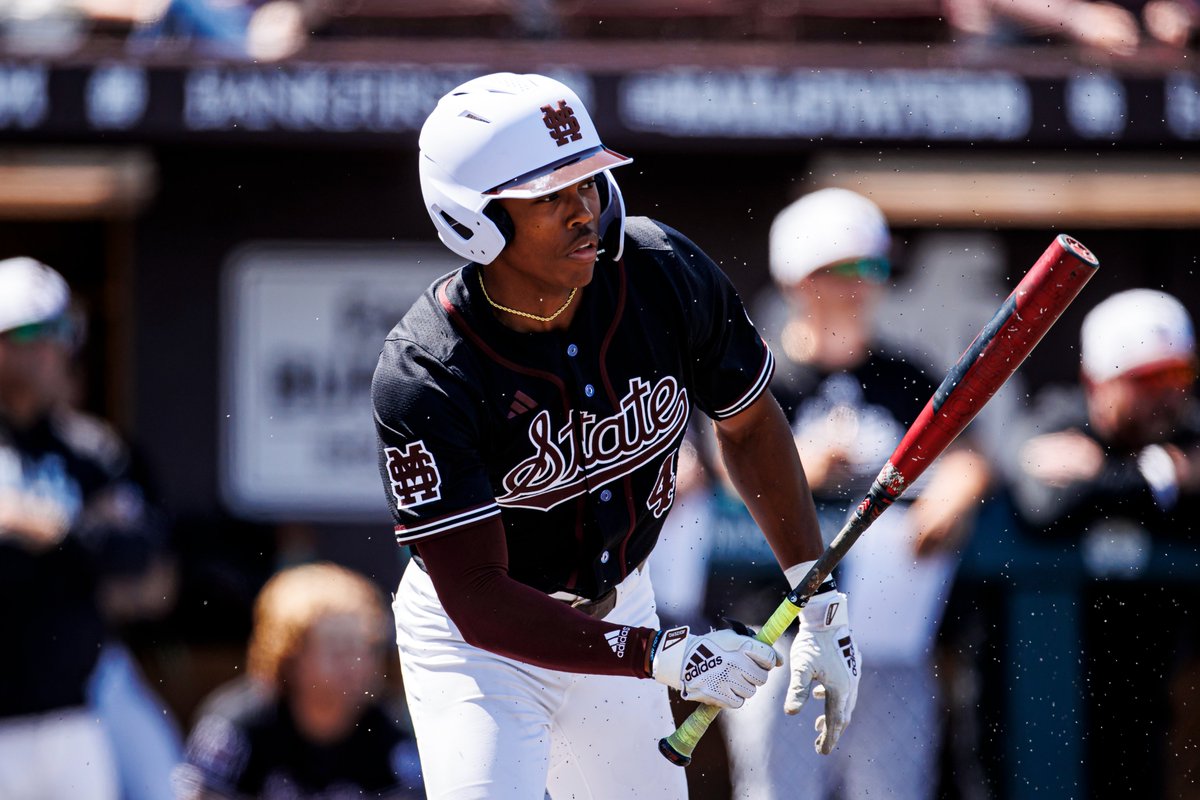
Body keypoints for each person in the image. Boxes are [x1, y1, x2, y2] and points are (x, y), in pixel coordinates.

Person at [370, 72, 861, 799]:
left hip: (620, 604)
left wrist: (816, 593)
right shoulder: (427, 371)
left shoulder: (661, 271)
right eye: (551, 195)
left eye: (590, 183)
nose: (584, 212)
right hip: (481, 647)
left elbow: (750, 425)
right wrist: (661, 656)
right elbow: (478, 596)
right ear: (474, 218)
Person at [721, 189, 993, 800]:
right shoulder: (759, 373)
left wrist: (959, 485)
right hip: (780, 635)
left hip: (889, 640)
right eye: (841, 269)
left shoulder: (906, 375)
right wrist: (795, 468)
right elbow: (719, 471)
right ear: (798, 278)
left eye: (870, 269)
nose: (858, 286)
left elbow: (971, 456)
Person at [1008, 288, 1200, 796]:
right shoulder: (1057, 417)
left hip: (1157, 689)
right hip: (1046, 690)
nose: (1167, 395)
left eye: (1177, 376)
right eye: (1145, 380)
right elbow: (1042, 505)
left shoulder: (1189, 430)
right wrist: (1160, 478)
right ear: (1097, 383)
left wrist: (1107, 479)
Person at [0, 256, 175, 800]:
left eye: (63, 330)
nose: (54, 347)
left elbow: (138, 558)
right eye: (34, 331)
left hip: (75, 707)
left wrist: (43, 526)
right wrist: (82, 539)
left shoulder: (92, 449)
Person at [175, 561, 424, 799]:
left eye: (364, 649)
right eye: (338, 651)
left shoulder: (392, 731)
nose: (355, 665)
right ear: (289, 657)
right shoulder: (235, 728)